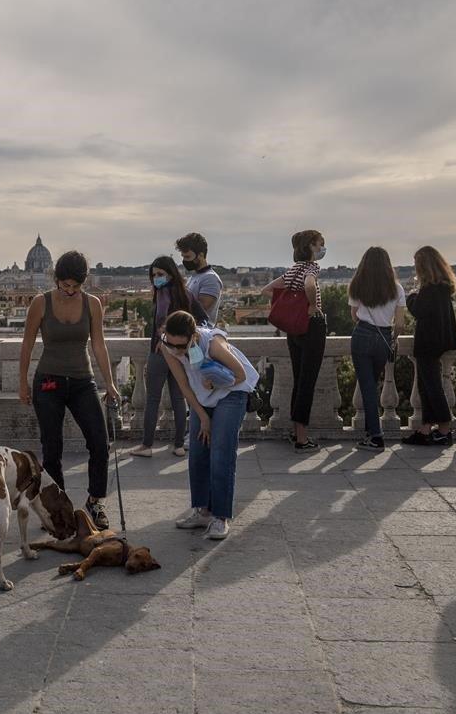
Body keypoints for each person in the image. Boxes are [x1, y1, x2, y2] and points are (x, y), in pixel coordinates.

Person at [18, 251, 119, 528]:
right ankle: (57, 506)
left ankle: (95, 501)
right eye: (65, 285)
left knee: (99, 442)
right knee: (52, 448)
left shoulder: (93, 304)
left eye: (76, 286)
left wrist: (109, 382)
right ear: (56, 279)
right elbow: (26, 344)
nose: (71, 291)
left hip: (81, 380)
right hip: (48, 380)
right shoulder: (41, 303)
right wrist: (22, 382)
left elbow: (99, 344)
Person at [162, 311, 259, 540]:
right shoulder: (167, 345)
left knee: (220, 453)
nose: (176, 351)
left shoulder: (212, 344)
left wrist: (214, 386)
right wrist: (203, 418)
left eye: (181, 346)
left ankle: (221, 517)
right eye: (171, 344)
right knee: (197, 452)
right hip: (203, 397)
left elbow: (240, 374)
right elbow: (184, 386)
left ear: (193, 336)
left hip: (233, 392)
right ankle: (202, 510)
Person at [129, 257, 204, 459]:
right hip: (181, 352)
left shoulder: (162, 294)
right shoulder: (187, 294)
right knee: (179, 398)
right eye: (153, 275)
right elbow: (202, 317)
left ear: (170, 274)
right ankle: (179, 445)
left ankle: (147, 445)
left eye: (160, 274)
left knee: (153, 399)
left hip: (161, 351)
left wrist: (162, 337)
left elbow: (161, 319)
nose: (156, 278)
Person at [261, 230, 327, 451]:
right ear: (310, 246)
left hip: (294, 328)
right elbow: (309, 285)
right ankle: (301, 437)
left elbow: (267, 290)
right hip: (312, 326)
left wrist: (289, 305)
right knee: (307, 381)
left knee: (299, 379)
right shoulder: (311, 268)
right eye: (320, 245)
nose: (322, 249)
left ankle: (295, 431)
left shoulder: (292, 270)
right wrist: (311, 306)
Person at [348, 247, 407, 451]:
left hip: (363, 334)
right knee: (372, 385)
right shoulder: (397, 289)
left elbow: (354, 316)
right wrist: (393, 339)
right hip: (384, 336)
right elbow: (400, 324)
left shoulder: (357, 285)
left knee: (367, 387)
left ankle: (375, 435)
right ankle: (371, 433)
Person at [403, 246, 456, 446]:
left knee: (431, 387)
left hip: (428, 343)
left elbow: (418, 310)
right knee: (426, 386)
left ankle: (444, 428)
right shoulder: (443, 287)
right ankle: (426, 427)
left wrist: (410, 296)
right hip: (438, 342)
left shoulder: (430, 290)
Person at [176, 232, 222, 324]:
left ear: (200, 255)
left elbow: (200, 309)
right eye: (183, 257)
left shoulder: (211, 278)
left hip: (201, 333)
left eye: (188, 256)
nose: (185, 260)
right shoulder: (193, 278)